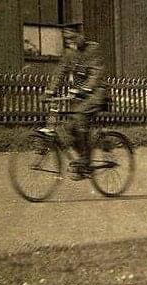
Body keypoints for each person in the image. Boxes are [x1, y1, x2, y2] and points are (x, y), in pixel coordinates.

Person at [45, 21, 108, 178]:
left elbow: (96, 72)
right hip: (81, 96)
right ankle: (83, 163)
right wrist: (50, 90)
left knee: (79, 116)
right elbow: (60, 71)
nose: (71, 43)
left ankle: (84, 160)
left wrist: (86, 88)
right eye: (67, 40)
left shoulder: (92, 49)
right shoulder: (70, 53)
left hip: (96, 94)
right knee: (67, 129)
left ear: (81, 36)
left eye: (73, 39)